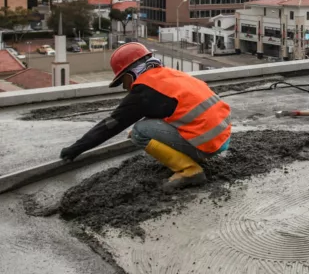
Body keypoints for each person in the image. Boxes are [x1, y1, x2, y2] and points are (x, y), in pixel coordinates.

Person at [59, 42, 231, 191]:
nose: (125, 87)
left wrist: (74, 150)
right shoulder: (168, 74)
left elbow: (109, 126)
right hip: (223, 138)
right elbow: (173, 110)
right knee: (149, 125)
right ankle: (194, 155)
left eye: (122, 81)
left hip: (207, 143)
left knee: (140, 131)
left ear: (129, 74)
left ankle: (190, 171)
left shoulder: (144, 91)